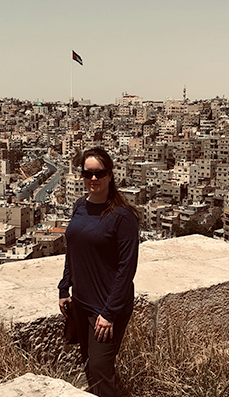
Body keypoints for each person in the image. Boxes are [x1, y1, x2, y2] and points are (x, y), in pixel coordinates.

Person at [58, 147, 140, 397]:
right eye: (87, 173)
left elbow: (127, 269)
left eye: (99, 173)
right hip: (81, 303)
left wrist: (109, 313)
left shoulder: (122, 216)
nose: (93, 179)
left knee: (101, 370)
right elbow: (73, 250)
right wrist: (64, 288)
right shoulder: (80, 206)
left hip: (106, 308)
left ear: (110, 175)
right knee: (89, 367)